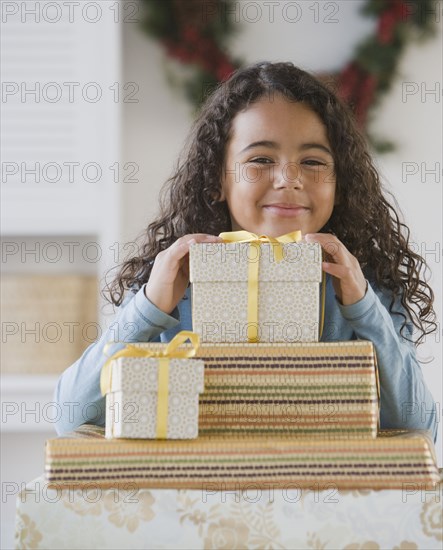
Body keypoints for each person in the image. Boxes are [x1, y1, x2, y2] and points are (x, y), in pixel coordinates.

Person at [54, 61, 437, 441]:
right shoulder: (173, 286)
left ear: (340, 183)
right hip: (201, 495)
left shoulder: (366, 290)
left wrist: (364, 310)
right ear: (217, 179)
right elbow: (71, 416)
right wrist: (148, 309)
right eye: (260, 160)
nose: (289, 179)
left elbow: (421, 429)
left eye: (313, 162)